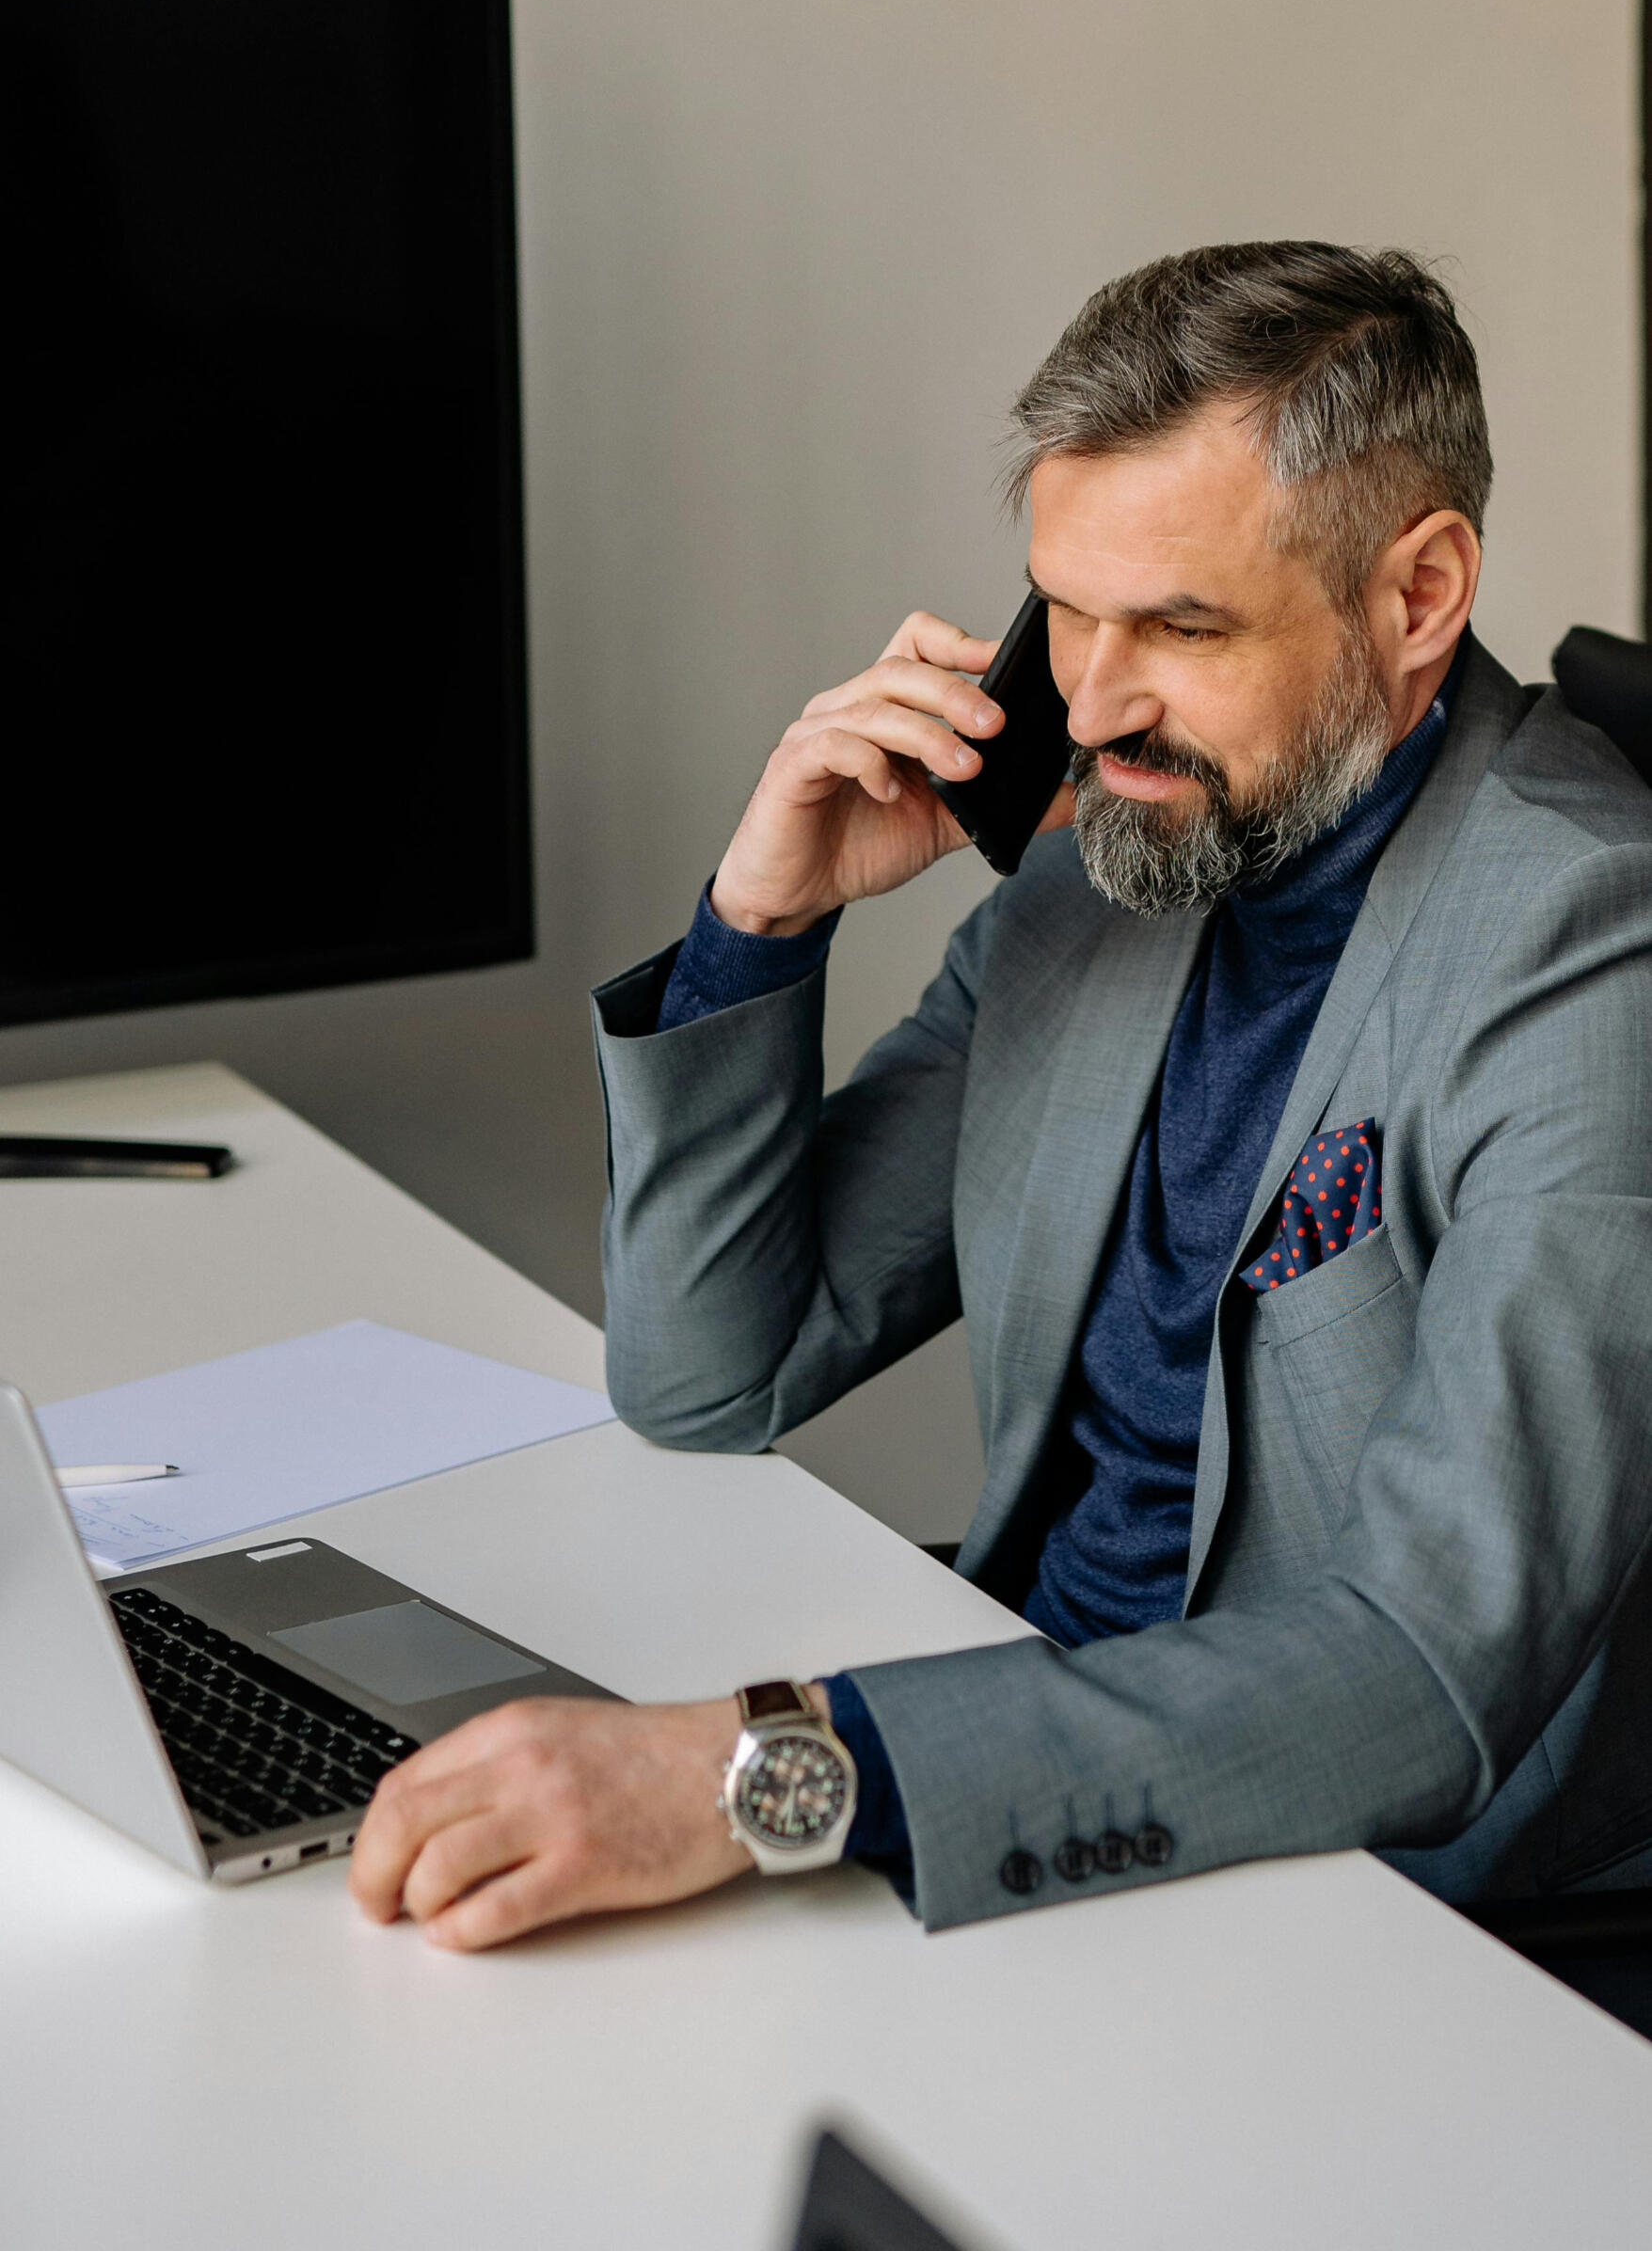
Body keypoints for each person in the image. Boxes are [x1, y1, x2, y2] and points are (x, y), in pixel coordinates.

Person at [350, 241, 1652, 1952]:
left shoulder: (1588, 943)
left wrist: (770, 1775)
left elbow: (1422, 1668)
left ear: (1418, 595)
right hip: (1019, 1767)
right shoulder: (1110, 852)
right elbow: (709, 1373)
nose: (1093, 702)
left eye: (1182, 625)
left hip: (1383, 1909)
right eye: (1069, 611)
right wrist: (767, 919)